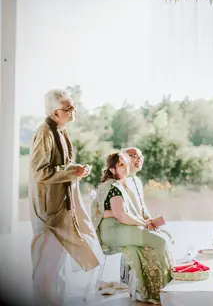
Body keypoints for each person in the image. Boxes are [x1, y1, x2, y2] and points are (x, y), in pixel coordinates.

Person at [28, 89, 104, 305]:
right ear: (55, 112)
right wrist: (72, 172)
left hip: (62, 209)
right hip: (49, 214)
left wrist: (76, 169)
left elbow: (59, 165)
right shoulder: (45, 132)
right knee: (46, 269)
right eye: (68, 108)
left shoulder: (60, 130)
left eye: (73, 107)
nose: (73, 112)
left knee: (58, 266)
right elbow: (40, 172)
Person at [91, 152, 173, 304]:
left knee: (161, 238)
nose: (126, 168)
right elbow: (120, 215)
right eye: (121, 165)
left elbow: (111, 213)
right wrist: (143, 223)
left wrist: (144, 222)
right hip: (115, 231)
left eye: (126, 164)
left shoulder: (116, 184)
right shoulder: (114, 187)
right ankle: (162, 291)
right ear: (112, 169)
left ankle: (157, 288)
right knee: (160, 241)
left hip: (118, 228)